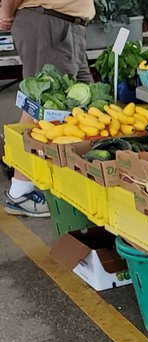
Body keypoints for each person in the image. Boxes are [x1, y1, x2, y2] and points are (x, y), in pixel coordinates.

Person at [1, 0, 94, 217]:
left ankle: (75, 181)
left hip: (67, 24)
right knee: (40, 107)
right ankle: (20, 192)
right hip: (48, 22)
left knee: (82, 105)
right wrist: (6, 13)